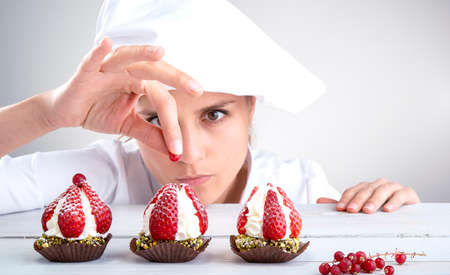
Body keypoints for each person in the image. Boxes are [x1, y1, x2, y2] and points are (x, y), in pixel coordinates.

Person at [0, 0, 419, 215]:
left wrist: (388, 209)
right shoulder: (98, 178)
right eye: (154, 118)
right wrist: (48, 112)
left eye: (214, 114)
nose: (189, 154)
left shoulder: (301, 188)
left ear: (251, 106)